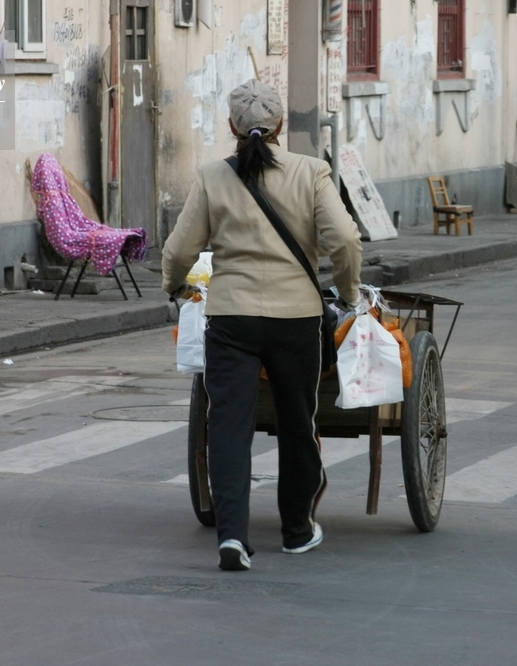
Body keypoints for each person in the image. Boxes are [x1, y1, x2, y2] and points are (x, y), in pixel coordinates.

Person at [162, 79, 363, 571]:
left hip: (231, 320)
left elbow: (180, 250)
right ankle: (297, 530)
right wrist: (350, 294)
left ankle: (232, 535)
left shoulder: (213, 176)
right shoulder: (311, 172)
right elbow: (345, 240)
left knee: (228, 427)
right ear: (281, 125)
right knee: (298, 424)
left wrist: (176, 286)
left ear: (232, 127)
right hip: (297, 320)